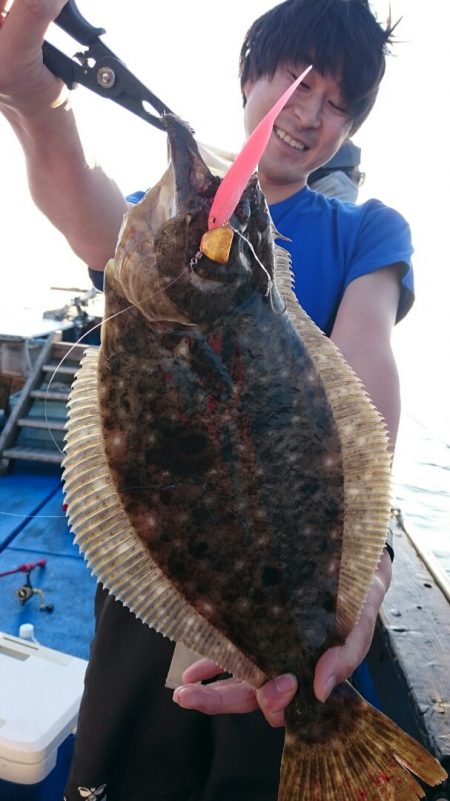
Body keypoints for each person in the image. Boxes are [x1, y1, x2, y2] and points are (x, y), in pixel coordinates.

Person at [0, 1, 413, 799]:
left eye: (337, 102)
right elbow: (74, 191)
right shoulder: (151, 246)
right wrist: (30, 94)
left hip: (293, 580)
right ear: (249, 77)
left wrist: (370, 571)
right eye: (296, 81)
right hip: (157, 586)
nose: (308, 113)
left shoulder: (366, 231)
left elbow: (369, 376)